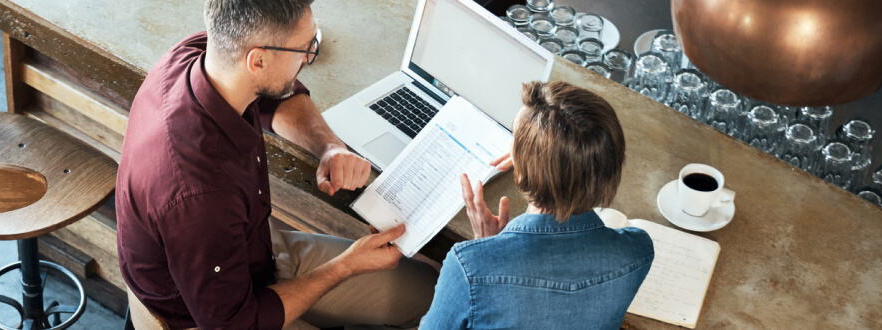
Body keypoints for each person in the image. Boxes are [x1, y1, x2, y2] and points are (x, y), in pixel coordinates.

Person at [115, 0, 440, 328]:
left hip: (253, 254)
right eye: (304, 48)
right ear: (258, 59)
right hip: (220, 316)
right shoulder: (200, 194)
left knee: (430, 290)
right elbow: (236, 323)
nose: (308, 58)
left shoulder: (197, 56)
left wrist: (328, 147)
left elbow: (275, 94)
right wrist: (346, 266)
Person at [420, 81, 654, 329]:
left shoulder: (468, 267)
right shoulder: (638, 252)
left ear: (519, 175)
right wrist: (542, 159)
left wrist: (484, 248)